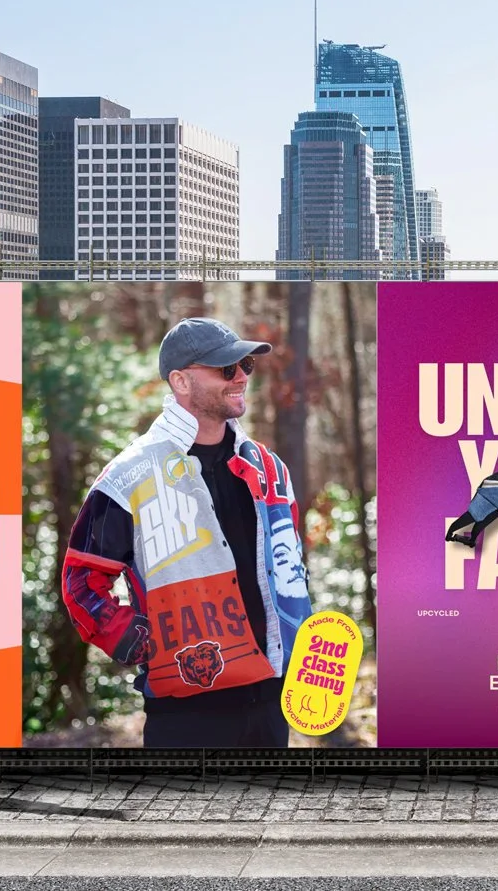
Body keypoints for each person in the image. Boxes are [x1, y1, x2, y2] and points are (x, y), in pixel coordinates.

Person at [61, 316, 312, 747]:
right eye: (225, 369)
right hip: (188, 716)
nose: (240, 378)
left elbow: (291, 572)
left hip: (273, 707)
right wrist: (139, 643)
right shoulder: (127, 476)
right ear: (179, 381)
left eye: (246, 367)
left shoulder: (270, 469)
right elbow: (81, 580)